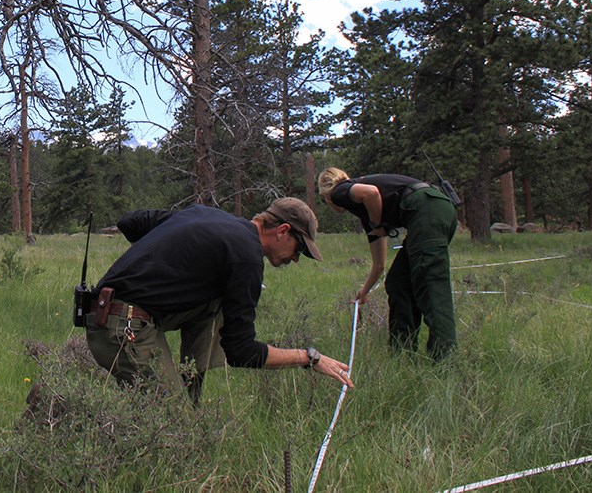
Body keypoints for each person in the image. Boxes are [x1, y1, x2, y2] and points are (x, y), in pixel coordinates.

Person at [84, 198, 354, 404]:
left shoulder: (208, 217)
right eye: (299, 249)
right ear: (283, 231)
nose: (295, 259)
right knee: (176, 430)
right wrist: (307, 358)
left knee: (216, 300)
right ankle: (182, 409)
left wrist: (162, 255)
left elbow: (131, 221)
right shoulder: (246, 257)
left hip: (110, 313)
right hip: (122, 327)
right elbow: (241, 352)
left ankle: (191, 394)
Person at [317, 167, 457, 361]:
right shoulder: (365, 211)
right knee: (398, 282)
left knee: (430, 283)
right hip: (434, 208)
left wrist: (378, 225)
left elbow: (371, 193)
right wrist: (364, 292)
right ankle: (402, 354)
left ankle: (445, 359)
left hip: (427, 209)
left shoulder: (339, 191)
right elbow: (379, 264)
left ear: (326, 196)